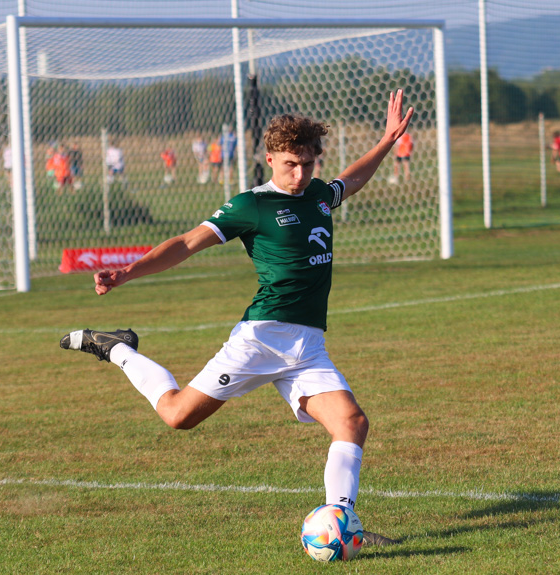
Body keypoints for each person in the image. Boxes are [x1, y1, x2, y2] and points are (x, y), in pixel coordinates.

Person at [60, 89, 414, 547]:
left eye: (308, 163)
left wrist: (386, 141)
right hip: (260, 339)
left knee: (352, 423)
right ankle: (118, 349)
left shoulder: (320, 194)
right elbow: (188, 242)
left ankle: (341, 520)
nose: (300, 173)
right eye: (290, 164)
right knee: (177, 416)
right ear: (270, 159)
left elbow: (352, 178)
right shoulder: (252, 205)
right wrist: (127, 272)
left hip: (308, 347)